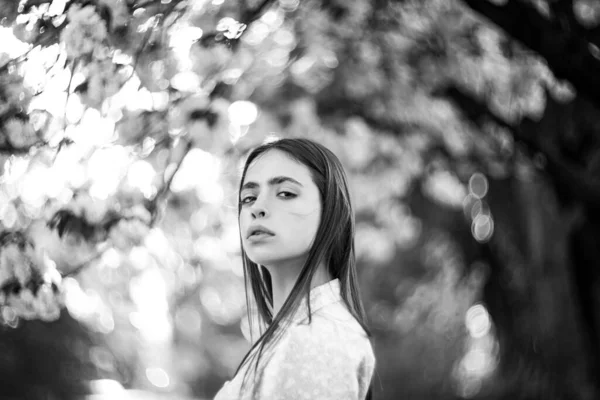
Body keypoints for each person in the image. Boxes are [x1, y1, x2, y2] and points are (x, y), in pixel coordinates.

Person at [214, 138, 375, 400]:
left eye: (286, 193)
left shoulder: (318, 341)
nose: (258, 208)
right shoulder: (292, 334)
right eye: (248, 197)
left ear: (332, 212)